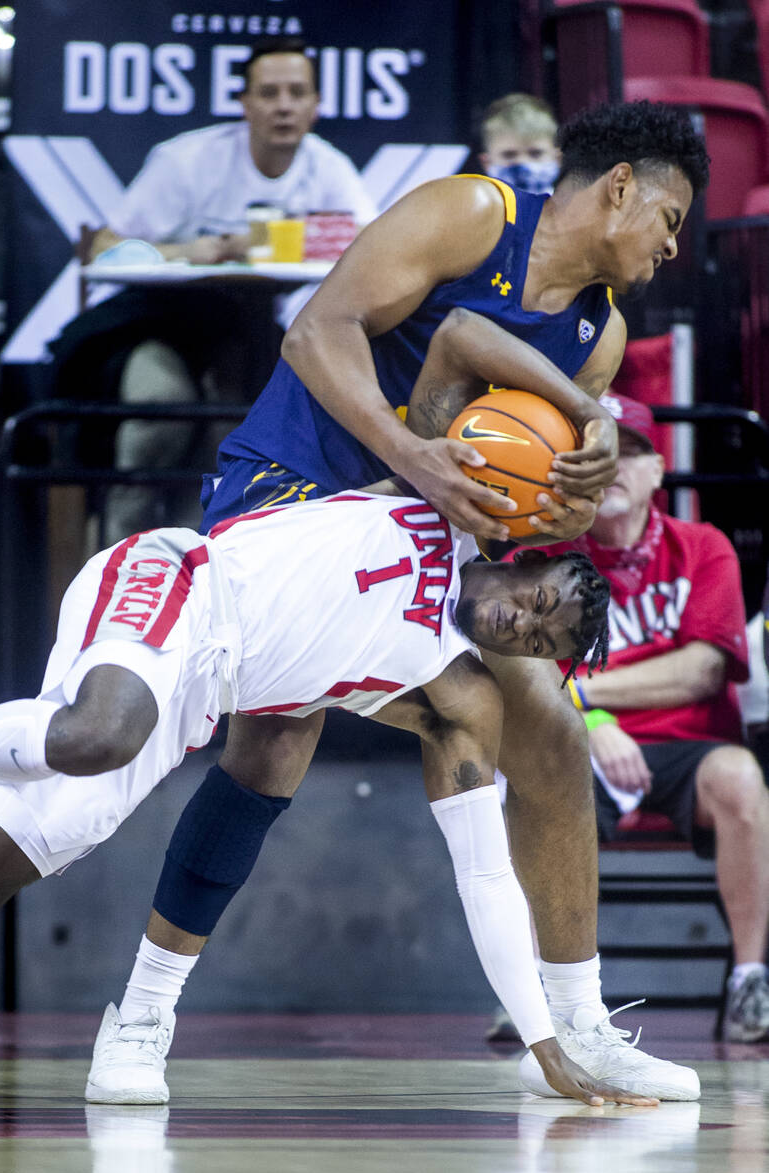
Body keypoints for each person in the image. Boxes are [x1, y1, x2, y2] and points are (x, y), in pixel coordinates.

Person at [0, 485, 687, 1108]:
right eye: (537, 601)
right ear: (520, 560)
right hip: (174, 581)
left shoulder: (451, 701)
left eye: (544, 640)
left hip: (188, 696)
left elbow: (481, 867)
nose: (524, 626)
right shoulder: (441, 501)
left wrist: (542, 1034)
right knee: (98, 733)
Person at [82, 100, 711, 1105]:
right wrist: (410, 452)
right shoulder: (468, 213)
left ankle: (579, 1020)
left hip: (426, 525)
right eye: (668, 219)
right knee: (274, 743)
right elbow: (314, 334)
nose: (672, 247)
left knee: (545, 716)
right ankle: (143, 1013)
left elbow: (510, 514)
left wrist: (563, 507)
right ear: (618, 188)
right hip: (295, 480)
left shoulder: (597, 338)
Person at [50, 36, 375, 541]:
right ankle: (116, 552)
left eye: (296, 92)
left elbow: (368, 244)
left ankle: (197, 564)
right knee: (161, 414)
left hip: (251, 330)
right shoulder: (187, 160)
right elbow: (101, 246)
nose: (284, 106)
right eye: (269, 93)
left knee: (240, 439)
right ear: (244, 104)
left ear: (316, 105)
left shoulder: (328, 167)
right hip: (159, 324)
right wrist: (192, 250)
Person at [540, 392, 769, 1043]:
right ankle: (541, 996)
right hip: (581, 747)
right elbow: (525, 673)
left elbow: (700, 671)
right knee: (531, 790)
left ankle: (749, 981)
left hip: (690, 750)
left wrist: (582, 694)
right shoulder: (550, 558)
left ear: (657, 470)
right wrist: (592, 722)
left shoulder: (702, 547)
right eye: (596, 450)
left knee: (741, 779)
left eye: (629, 450)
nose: (611, 464)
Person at [478, 93, 561, 195]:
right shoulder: (471, 210)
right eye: (509, 155)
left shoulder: (575, 209)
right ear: (487, 163)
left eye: (535, 153)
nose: (523, 162)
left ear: (558, 159)